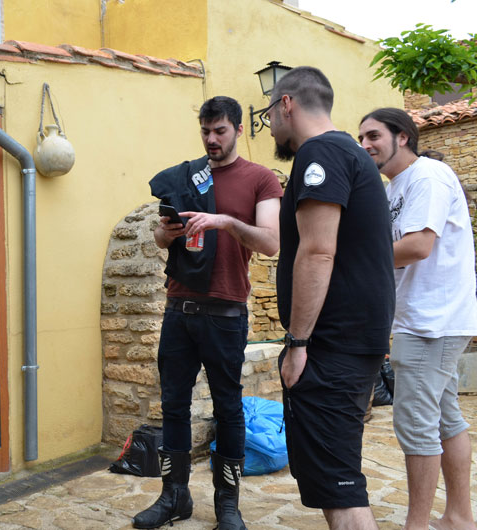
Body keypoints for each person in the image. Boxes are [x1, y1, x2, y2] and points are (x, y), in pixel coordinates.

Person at [135, 96, 282, 530]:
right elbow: (161, 240)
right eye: (205, 131)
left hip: (225, 313)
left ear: (238, 129)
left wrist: (225, 222)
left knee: (228, 409)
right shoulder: (187, 176)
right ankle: (174, 496)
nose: (212, 139)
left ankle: (227, 506)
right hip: (179, 309)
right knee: (173, 406)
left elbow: (270, 242)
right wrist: (165, 232)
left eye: (220, 131)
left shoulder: (260, 179)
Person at [268, 67, 395, 530]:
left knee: (340, 489)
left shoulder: (319, 152)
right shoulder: (350, 153)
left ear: (286, 104)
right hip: (352, 342)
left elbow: (318, 251)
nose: (270, 126)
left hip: (331, 346)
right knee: (333, 479)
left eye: (268, 114)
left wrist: (298, 343)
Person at [359, 108, 477, 530]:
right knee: (445, 418)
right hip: (426, 319)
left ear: (403, 136)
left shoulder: (426, 176)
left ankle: (417, 525)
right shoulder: (397, 186)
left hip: (431, 322)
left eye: (374, 135)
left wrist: (353, 260)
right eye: (361, 138)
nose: (365, 145)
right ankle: (459, 516)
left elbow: (417, 246)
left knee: (416, 425)